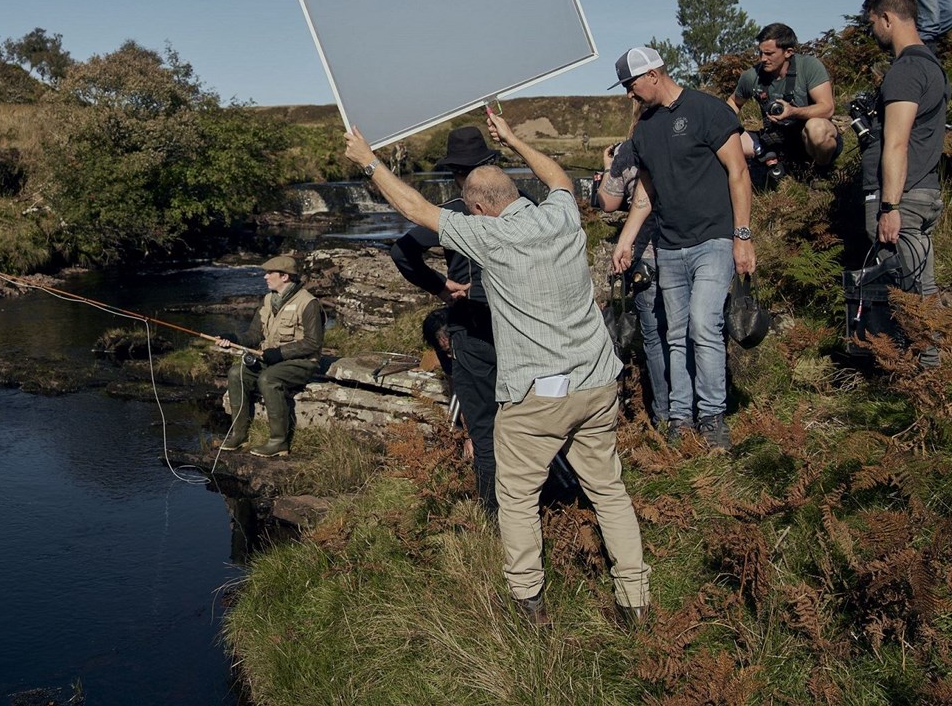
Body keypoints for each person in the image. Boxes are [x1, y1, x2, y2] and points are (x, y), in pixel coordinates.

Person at [346, 114, 650, 627]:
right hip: (598, 381)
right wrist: (514, 140)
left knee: (515, 497)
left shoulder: (489, 237)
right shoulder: (560, 214)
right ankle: (635, 601)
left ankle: (529, 604)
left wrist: (369, 161)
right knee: (610, 491)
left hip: (538, 395)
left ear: (478, 208)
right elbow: (557, 177)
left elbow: (415, 208)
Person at [609, 46, 754, 451]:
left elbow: (738, 172)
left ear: (653, 74)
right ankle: (680, 419)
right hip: (669, 248)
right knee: (676, 335)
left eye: (631, 84)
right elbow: (646, 191)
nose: (629, 94)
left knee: (704, 325)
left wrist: (742, 237)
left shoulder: (708, 111)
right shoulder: (644, 130)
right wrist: (626, 240)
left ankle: (712, 417)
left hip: (714, 240)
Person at [388, 126, 503, 512]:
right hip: (523, 325)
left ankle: (494, 516)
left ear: (456, 173)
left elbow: (402, 253)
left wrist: (441, 286)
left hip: (471, 326)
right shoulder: (526, 206)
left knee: (484, 430)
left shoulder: (451, 212)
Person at [859, 0, 950, 366]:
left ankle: (925, 375)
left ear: (887, 19)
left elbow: (897, 144)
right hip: (924, 191)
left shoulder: (905, 71)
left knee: (907, 291)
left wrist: (890, 205)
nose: (872, 33)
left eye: (873, 25)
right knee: (916, 285)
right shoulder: (930, 65)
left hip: (904, 198)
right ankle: (923, 373)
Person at [596, 136, 671, 430]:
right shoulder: (684, 137)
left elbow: (608, 202)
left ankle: (663, 414)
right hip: (687, 246)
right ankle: (690, 410)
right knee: (688, 332)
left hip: (645, 256)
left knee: (654, 337)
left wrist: (609, 168)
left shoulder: (630, 149)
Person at [216, 255, 324, 457]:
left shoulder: (309, 303)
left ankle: (278, 442)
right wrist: (231, 338)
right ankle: (239, 435)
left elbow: (313, 343)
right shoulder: (266, 300)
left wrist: (280, 353)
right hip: (270, 359)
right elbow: (254, 335)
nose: (265, 277)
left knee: (268, 379)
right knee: (236, 372)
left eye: (269, 273)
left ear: (284, 277)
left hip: (302, 363)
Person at [727, 22, 843, 175]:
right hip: (775, 139)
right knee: (728, 140)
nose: (763, 59)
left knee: (817, 129)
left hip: (808, 136)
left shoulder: (809, 66)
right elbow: (733, 103)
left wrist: (792, 111)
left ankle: (820, 171)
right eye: (760, 53)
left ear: (788, 52)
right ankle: (765, 163)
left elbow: (827, 108)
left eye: (769, 54)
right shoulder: (752, 76)